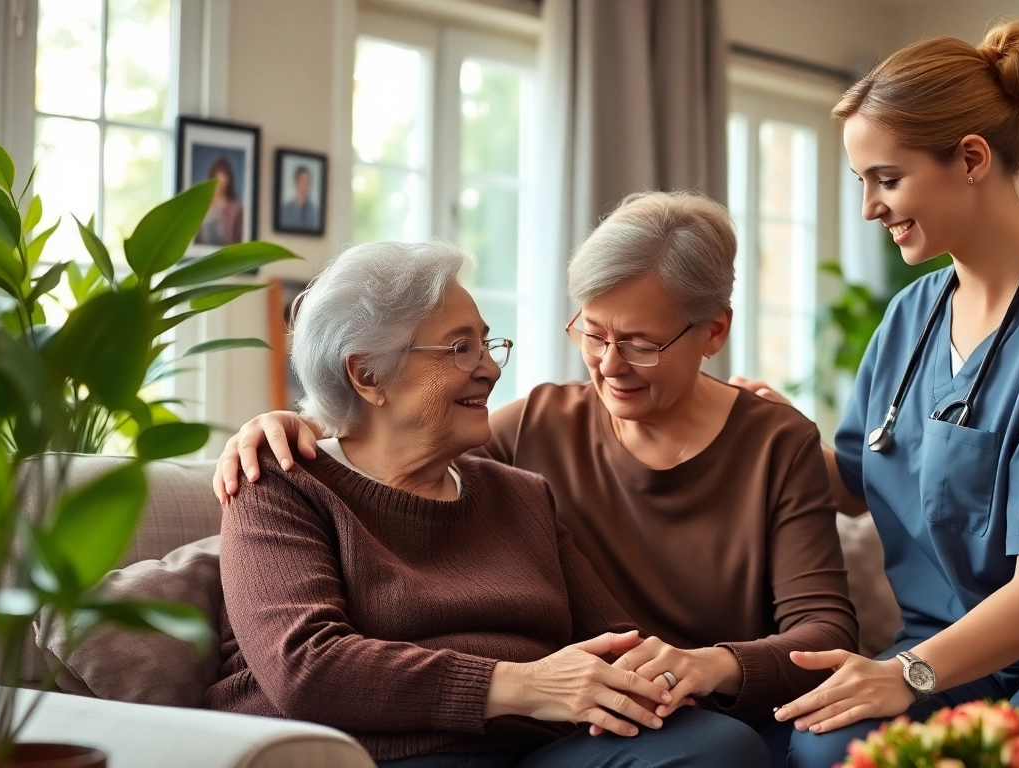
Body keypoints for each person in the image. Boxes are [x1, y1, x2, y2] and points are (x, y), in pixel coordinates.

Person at [213, 192, 858, 767]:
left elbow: (615, 641)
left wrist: (670, 678)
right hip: (382, 744)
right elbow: (308, 664)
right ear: (368, 377)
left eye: (487, 344)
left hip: (531, 740)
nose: (490, 371)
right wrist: (293, 422)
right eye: (459, 348)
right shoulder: (284, 482)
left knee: (720, 749)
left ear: (713, 331)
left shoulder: (516, 489)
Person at [734, 21, 1019, 768]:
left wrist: (903, 674)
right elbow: (859, 485)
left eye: (885, 179)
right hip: (950, 648)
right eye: (862, 183)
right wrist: (773, 431)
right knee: (825, 753)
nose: (869, 208)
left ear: (972, 159)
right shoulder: (910, 316)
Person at [197, 155, 244, 245]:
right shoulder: (201, 205)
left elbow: (238, 239)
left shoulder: (235, 208)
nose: (222, 182)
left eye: (225, 177)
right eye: (218, 177)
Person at [280, 164, 320, 231]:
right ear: (296, 182)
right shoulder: (285, 210)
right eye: (302, 181)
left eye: (307, 182)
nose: (304, 186)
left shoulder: (315, 212)